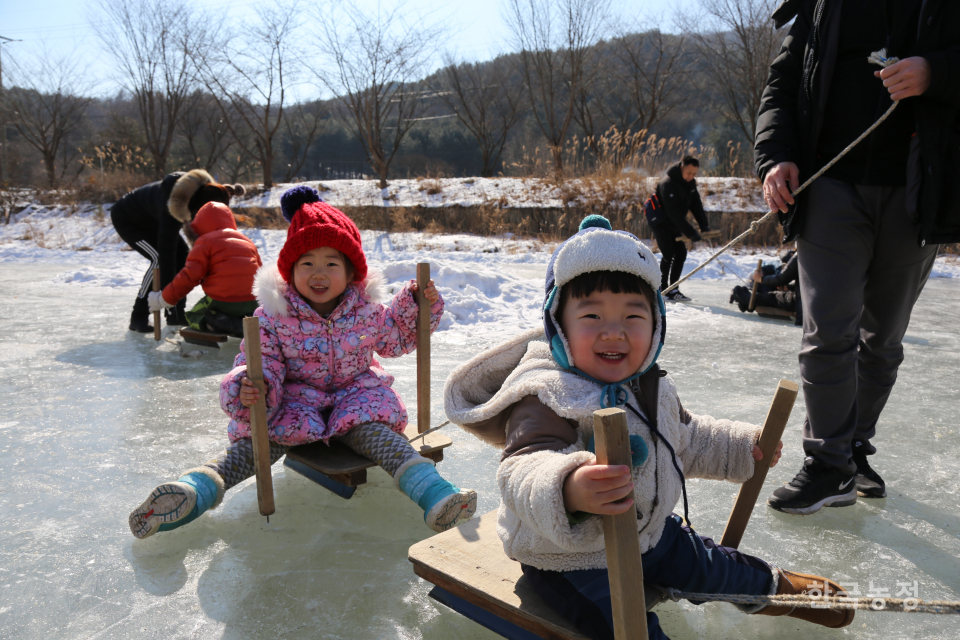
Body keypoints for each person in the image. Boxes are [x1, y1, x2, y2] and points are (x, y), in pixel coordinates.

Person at [444, 215, 853, 639]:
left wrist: (739, 448)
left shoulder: (650, 384)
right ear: (559, 326)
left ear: (655, 324)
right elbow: (521, 469)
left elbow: (685, 440)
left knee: (709, 564)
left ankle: (776, 591)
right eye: (591, 316)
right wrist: (569, 487)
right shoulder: (545, 393)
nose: (614, 333)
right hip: (566, 556)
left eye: (632, 316)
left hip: (647, 531)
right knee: (621, 624)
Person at [128, 186, 476, 538]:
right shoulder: (273, 317)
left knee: (382, 438)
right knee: (259, 443)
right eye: (307, 263)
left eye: (331, 263)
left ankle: (436, 495)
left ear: (351, 271)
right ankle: (193, 491)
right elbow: (260, 360)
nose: (318, 273)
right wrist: (252, 386)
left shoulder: (367, 311)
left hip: (356, 396)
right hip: (295, 401)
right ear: (290, 270)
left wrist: (416, 308)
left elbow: (397, 339)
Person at [754, 0, 960, 514]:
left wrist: (936, 72)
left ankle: (853, 447)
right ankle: (828, 463)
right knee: (827, 328)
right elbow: (781, 86)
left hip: (917, 193)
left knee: (883, 338)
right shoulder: (821, 6)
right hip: (829, 188)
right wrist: (775, 157)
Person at [110, 169, 245, 333]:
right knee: (159, 259)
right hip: (129, 219)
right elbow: (167, 257)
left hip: (152, 216)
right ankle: (138, 316)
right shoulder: (173, 209)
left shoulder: (202, 191)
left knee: (183, 256)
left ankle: (177, 313)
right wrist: (166, 302)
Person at [147, 201, 262, 337]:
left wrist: (163, 299)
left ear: (200, 224)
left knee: (192, 315)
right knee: (245, 308)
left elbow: (189, 276)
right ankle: (249, 319)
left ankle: (215, 323)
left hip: (222, 300)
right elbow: (261, 272)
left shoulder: (205, 241)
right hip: (253, 300)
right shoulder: (247, 241)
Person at [646, 156, 710, 303]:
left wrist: (703, 224)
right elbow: (672, 212)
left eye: (694, 174)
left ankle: (673, 289)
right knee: (669, 254)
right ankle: (663, 289)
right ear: (681, 168)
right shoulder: (667, 183)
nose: (691, 177)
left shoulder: (690, 183)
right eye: (689, 173)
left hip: (674, 224)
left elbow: (696, 204)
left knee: (681, 253)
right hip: (660, 223)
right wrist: (690, 232)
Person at [729, 249, 802, 325]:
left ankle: (745, 299)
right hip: (806, 300)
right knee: (773, 296)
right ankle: (746, 299)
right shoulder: (811, 252)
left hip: (801, 302)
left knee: (772, 297)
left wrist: (761, 279)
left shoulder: (803, 252)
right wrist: (790, 287)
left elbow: (781, 279)